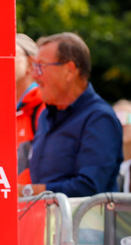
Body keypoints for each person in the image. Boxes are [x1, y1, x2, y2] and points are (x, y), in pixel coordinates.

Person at [26, 32, 123, 196]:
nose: (35, 75)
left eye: (41, 66)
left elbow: (90, 186)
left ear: (69, 70)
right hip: (46, 220)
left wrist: (29, 192)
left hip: (85, 222)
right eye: (35, 67)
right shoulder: (45, 116)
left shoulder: (100, 118)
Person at [16, 32, 45, 179]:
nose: (3, 59)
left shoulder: (43, 106)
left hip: (31, 197)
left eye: (12, 55)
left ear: (31, 64)